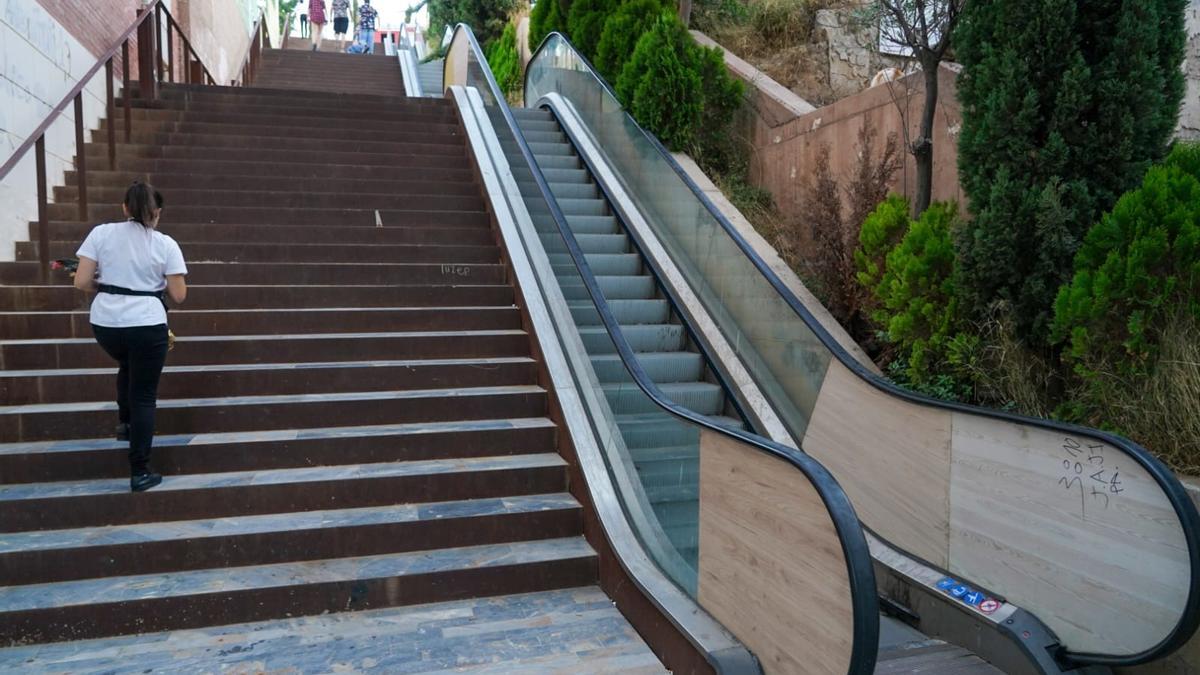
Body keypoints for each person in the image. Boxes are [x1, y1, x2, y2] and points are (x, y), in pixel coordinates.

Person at [74, 182, 187, 493]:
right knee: (144, 396)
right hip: (147, 322)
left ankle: (125, 423)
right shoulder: (165, 244)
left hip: (106, 323)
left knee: (126, 362)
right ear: (157, 212)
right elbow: (178, 294)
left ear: (125, 208)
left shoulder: (100, 233)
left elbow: (82, 280)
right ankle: (140, 470)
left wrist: (110, 286)